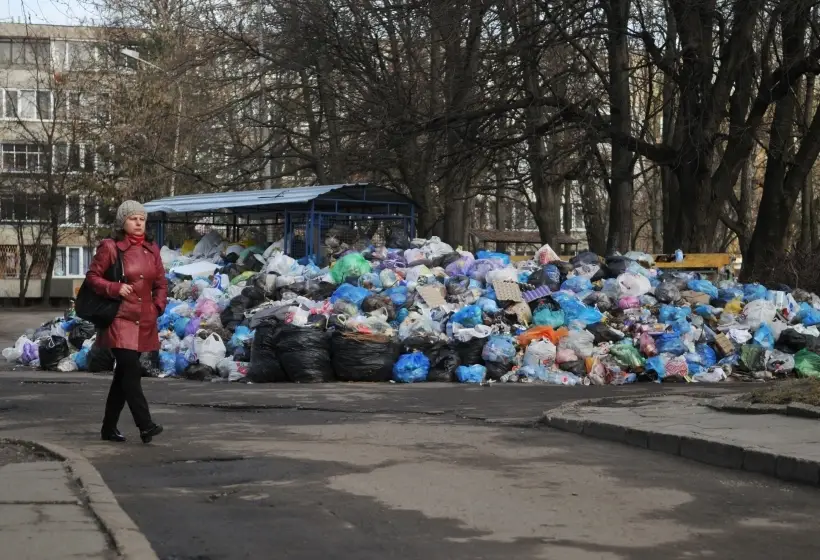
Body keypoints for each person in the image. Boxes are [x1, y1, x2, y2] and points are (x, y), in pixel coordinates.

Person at [85, 200, 167, 444]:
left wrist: (158, 306)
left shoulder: (153, 249)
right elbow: (92, 278)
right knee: (131, 369)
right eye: (133, 218)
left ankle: (108, 428)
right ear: (123, 222)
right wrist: (114, 287)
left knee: (123, 375)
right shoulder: (111, 247)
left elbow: (161, 284)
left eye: (142, 218)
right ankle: (145, 425)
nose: (139, 222)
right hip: (119, 318)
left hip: (144, 319)